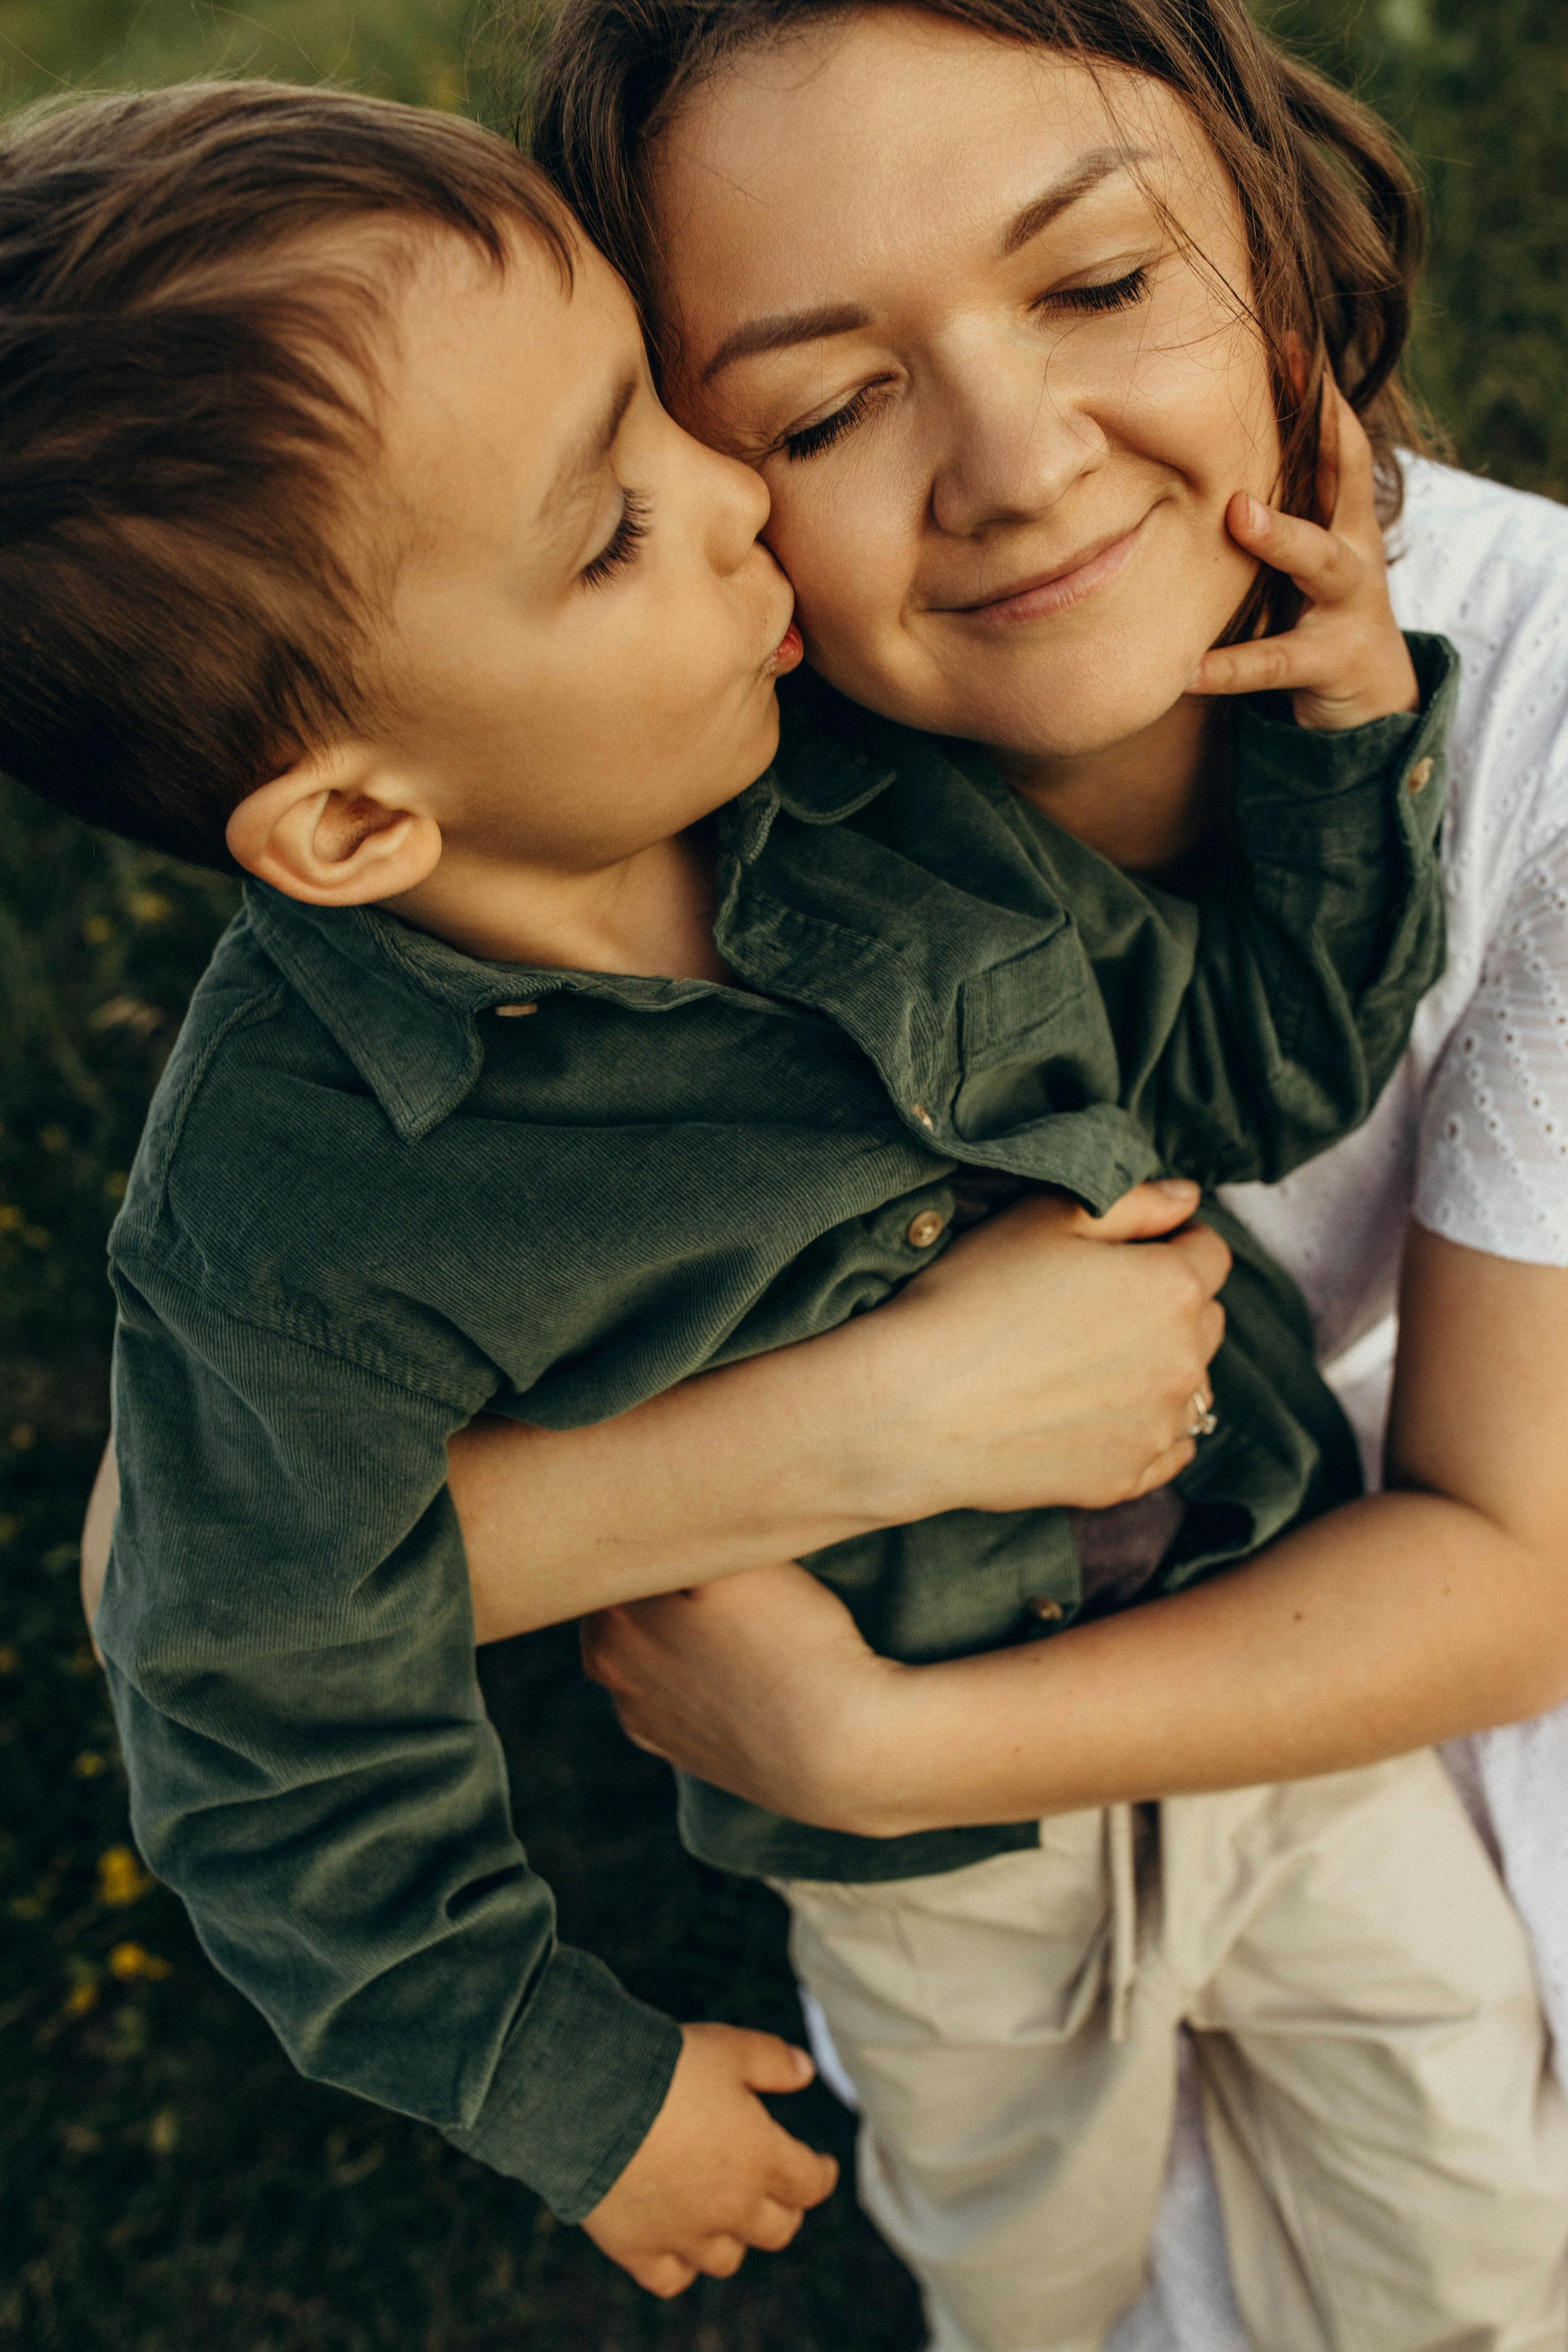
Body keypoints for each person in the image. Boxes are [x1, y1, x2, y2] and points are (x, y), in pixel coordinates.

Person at [24, 67, 1494, 2339]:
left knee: (1464, 2212)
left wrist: (1336, 770)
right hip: (918, 1875)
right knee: (1037, 2259)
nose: (731, 502)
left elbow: (1243, 1080)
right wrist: (564, 2084)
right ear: (352, 824)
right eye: (608, 526)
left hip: (1265, 1659)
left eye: (671, 419)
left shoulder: (862, 797)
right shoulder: (301, 1213)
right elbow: (251, 1694)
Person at [458, 2, 1568, 2345]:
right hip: (955, 1791)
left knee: (1464, 2227)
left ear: (1275, 250)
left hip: (1367, 1630)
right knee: (1035, 2253)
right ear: (682, 481)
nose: (1015, 461)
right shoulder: (640, 784)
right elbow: (168, 1547)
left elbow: (1512, 1562)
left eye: (1094, 285)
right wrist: (882, 1428)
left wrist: (863, 1740)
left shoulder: (1524, 705)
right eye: (828, 404)